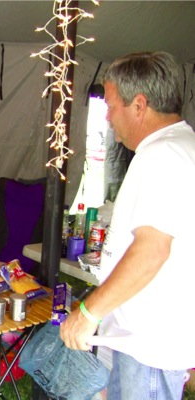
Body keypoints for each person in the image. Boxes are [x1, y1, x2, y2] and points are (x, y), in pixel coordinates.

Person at [60, 51, 195, 399]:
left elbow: (152, 250)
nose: (107, 116)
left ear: (139, 105)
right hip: (149, 342)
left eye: (110, 105)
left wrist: (89, 312)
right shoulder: (182, 145)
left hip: (150, 346)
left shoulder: (162, 155)